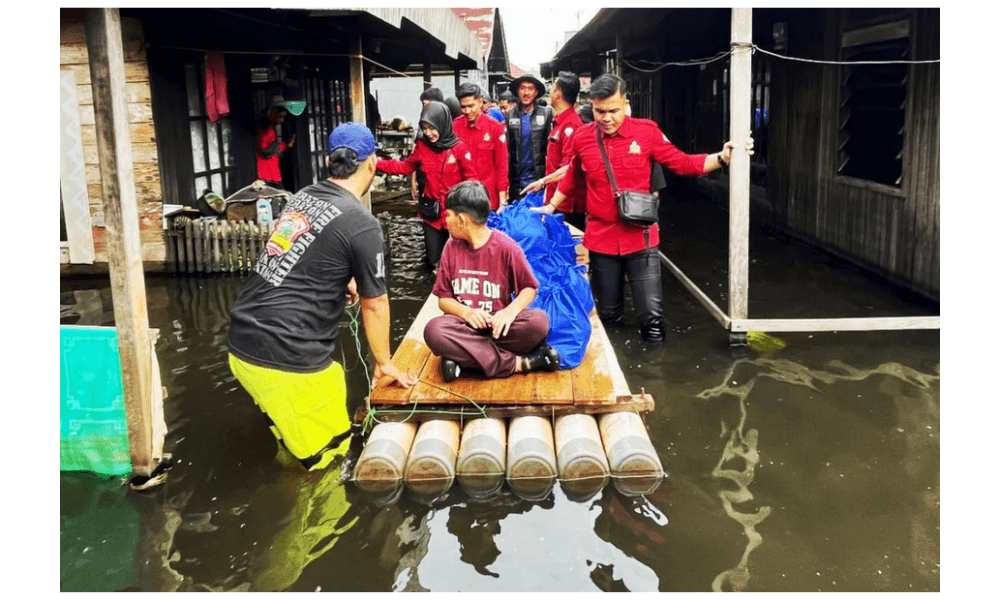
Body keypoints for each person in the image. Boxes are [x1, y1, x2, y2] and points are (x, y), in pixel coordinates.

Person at [228, 122, 417, 471]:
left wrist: (339, 280)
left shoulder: (303, 197)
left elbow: (290, 250)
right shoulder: (362, 223)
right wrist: (385, 363)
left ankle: (290, 473)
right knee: (329, 462)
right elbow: (375, 303)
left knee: (293, 447)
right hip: (288, 360)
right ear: (372, 163)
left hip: (242, 344)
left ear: (330, 162)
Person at [535, 73, 754, 343]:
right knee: (609, 316)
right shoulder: (582, 138)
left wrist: (722, 157)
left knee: (652, 320)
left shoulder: (647, 132)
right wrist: (551, 206)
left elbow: (683, 163)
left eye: (613, 111)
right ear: (592, 106)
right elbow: (573, 176)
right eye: (600, 111)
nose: (607, 118)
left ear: (625, 104)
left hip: (642, 238)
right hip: (601, 241)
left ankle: (655, 363)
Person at [423, 181, 560, 382]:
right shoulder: (451, 247)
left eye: (448, 215)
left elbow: (529, 289)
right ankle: (518, 364)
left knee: (539, 322)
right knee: (434, 330)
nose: (446, 220)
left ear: (461, 220)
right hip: (464, 326)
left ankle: (463, 356)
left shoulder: (506, 247)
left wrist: (509, 312)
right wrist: (467, 313)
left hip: (499, 328)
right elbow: (444, 300)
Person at [376, 101, 477, 270]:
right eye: (425, 128)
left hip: (456, 215)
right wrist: (376, 164)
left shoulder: (459, 148)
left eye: (432, 128)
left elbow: (472, 182)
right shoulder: (422, 147)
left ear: (442, 124)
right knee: (433, 260)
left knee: (458, 260)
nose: (428, 133)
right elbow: (404, 167)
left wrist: (470, 212)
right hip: (432, 215)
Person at [519, 71, 585, 229]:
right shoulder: (559, 122)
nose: (550, 92)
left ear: (558, 93)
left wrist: (542, 182)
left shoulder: (571, 125)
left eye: (553, 88)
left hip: (566, 205)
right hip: (555, 201)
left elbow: (569, 168)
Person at [454, 82, 509, 211]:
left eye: (471, 106)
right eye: (463, 107)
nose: (467, 111)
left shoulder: (495, 128)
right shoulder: (455, 127)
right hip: (462, 199)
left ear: (480, 102)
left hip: (488, 199)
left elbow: (502, 166)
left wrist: (502, 202)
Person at [504, 75, 553, 199]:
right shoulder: (510, 115)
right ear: (517, 91)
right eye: (522, 88)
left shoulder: (546, 114)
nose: (526, 93)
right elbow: (506, 150)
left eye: (530, 89)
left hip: (539, 179)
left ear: (536, 93)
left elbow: (551, 149)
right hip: (516, 180)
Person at [255, 96, 296, 189]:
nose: (282, 120)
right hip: (267, 172)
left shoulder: (268, 127)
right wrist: (285, 145)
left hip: (269, 171)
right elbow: (265, 150)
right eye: (281, 117)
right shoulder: (266, 129)